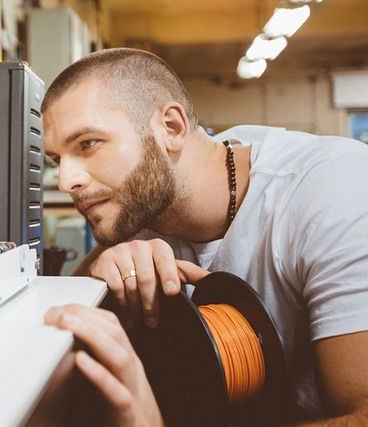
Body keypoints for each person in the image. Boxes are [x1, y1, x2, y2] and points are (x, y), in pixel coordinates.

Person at [41, 48, 368, 425]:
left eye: (88, 144)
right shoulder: (141, 203)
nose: (66, 181)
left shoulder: (335, 190)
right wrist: (100, 276)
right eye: (57, 160)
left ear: (171, 128)